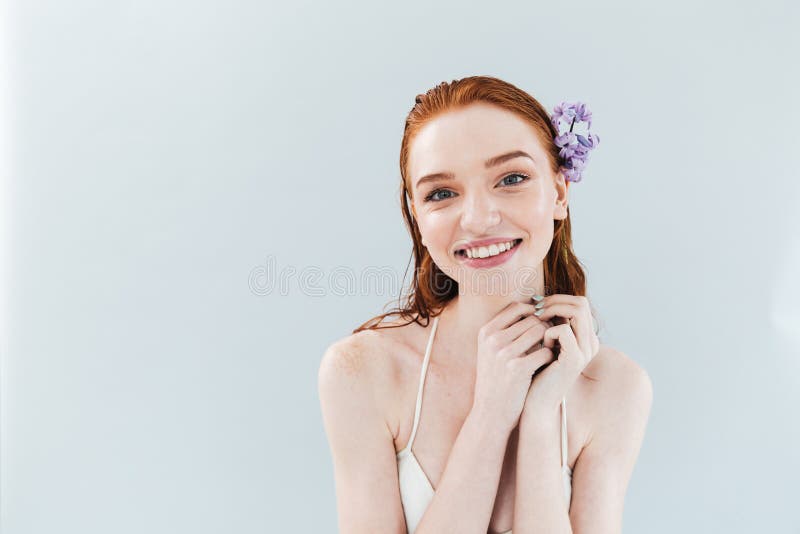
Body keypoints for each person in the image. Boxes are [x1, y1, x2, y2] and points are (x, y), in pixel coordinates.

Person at [318, 75, 653, 533]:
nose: (478, 218)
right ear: (417, 216)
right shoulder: (363, 371)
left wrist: (538, 419)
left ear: (559, 193)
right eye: (441, 193)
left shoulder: (614, 387)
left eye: (511, 178)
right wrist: (491, 415)